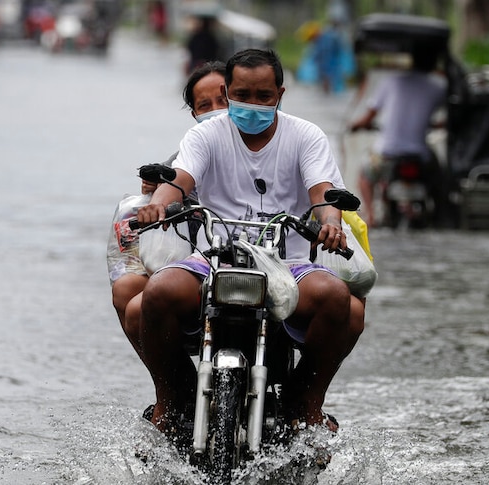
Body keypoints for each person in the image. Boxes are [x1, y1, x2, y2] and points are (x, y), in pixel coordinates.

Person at [131, 48, 365, 433]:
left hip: (287, 266)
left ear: (280, 94)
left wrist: (331, 224)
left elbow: (323, 195)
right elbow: (179, 180)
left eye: (263, 97)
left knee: (337, 298)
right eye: (241, 95)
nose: (251, 105)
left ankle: (305, 403)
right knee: (157, 293)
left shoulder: (306, 136)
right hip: (213, 259)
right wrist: (157, 205)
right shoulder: (205, 134)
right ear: (228, 91)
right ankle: (170, 400)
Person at [110, 61, 228, 361]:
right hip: (200, 255)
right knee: (128, 291)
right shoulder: (189, 152)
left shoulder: (281, 141)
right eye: (206, 105)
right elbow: (175, 184)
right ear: (195, 115)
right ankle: (175, 386)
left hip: (259, 255)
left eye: (224, 100)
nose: (216, 110)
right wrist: (155, 199)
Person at [349, 46, 447, 227]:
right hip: (420, 157)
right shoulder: (438, 87)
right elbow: (449, 112)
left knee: (364, 176)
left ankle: (370, 217)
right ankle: (440, 217)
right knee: (441, 181)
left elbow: (369, 116)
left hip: (386, 155)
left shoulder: (391, 82)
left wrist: (357, 125)